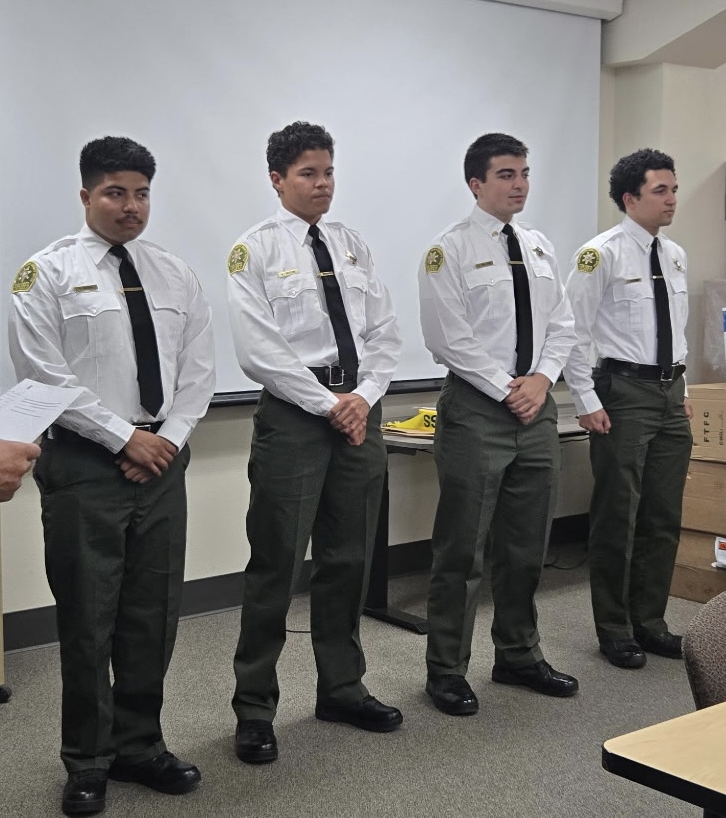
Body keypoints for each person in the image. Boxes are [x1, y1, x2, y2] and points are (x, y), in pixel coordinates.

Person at [9, 136, 215, 816]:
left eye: (142, 193)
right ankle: (87, 760)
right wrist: (126, 436)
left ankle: (140, 745)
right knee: (89, 618)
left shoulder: (175, 273)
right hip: (85, 466)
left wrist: (168, 440)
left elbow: (198, 372)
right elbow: (47, 377)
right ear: (86, 195)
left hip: (162, 460)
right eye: (115, 193)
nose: (131, 207)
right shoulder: (46, 274)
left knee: (152, 614)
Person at [227, 121, 403, 764]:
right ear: (277, 179)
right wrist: (331, 404)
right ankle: (254, 707)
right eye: (308, 173)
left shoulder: (351, 243)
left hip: (359, 410)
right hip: (297, 419)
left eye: (328, 171)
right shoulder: (254, 250)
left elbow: (384, 330)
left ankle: (342, 687)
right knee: (275, 564)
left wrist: (365, 396)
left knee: (349, 559)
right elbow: (258, 351)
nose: (323, 184)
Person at [418, 132, 579, 717]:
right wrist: (507, 389)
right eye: (507, 174)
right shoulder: (449, 250)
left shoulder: (539, 247)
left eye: (525, 173)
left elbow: (563, 321)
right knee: (462, 548)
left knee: (526, 545)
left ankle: (517, 654)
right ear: (476, 184)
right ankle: (446, 670)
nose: (520, 184)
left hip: (536, 409)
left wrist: (541, 381)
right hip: (478, 411)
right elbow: (446, 336)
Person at [563, 148, 692, 669]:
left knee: (663, 514)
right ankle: (614, 627)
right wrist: (585, 400)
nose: (672, 200)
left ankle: (651, 619)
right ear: (629, 198)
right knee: (620, 512)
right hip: (622, 392)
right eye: (660, 191)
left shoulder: (676, 254)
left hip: (669, 393)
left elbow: (677, 331)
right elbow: (571, 333)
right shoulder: (601, 254)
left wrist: (684, 393)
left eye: (674, 189)